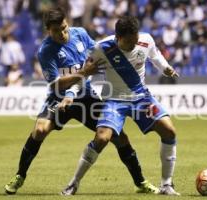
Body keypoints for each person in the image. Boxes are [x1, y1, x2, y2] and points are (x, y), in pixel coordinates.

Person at [4, 8, 158, 195]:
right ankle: (20, 175)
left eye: (64, 28)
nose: (62, 34)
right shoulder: (46, 51)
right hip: (59, 99)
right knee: (39, 130)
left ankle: (140, 182)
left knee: (119, 137)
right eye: (56, 31)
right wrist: (84, 72)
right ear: (47, 30)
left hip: (86, 97)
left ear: (67, 23)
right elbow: (55, 85)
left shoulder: (81, 34)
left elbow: (101, 54)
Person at [62, 16, 180, 196]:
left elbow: (155, 56)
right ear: (118, 37)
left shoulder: (145, 40)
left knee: (169, 130)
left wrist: (166, 68)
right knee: (102, 138)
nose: (134, 44)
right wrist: (70, 94)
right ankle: (73, 184)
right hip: (114, 101)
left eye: (136, 39)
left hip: (142, 99)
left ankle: (166, 185)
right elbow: (84, 75)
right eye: (130, 41)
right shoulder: (102, 49)